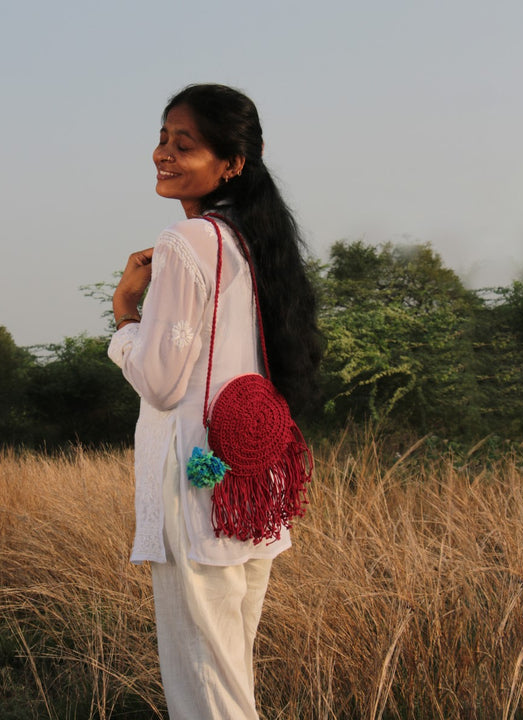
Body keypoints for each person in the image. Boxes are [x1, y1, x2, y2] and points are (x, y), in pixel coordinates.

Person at [108, 84, 322, 719]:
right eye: (163, 139)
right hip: (252, 480)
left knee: (207, 689)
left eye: (185, 144)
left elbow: (162, 382)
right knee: (230, 672)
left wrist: (124, 316)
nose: (162, 155)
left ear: (232, 163)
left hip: (197, 481)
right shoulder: (256, 240)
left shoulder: (187, 240)